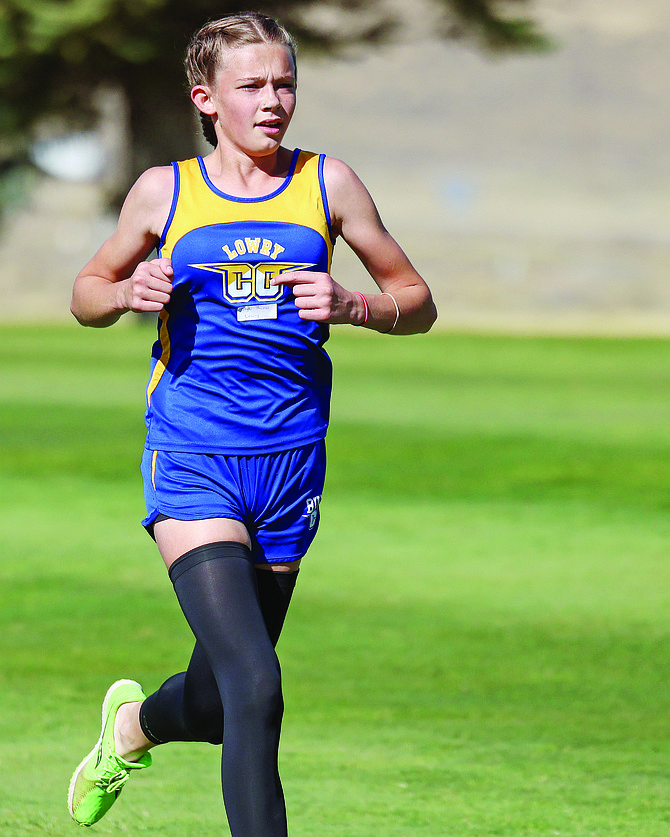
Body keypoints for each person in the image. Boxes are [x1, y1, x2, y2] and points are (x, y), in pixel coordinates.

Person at [67, 11, 437, 836]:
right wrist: (126, 293)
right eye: (253, 86)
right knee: (258, 687)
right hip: (195, 455)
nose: (274, 100)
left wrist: (358, 304)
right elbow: (86, 289)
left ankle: (133, 727)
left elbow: (418, 301)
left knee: (222, 693)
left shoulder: (328, 184)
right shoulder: (164, 191)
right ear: (207, 97)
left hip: (289, 466)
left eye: (285, 83)